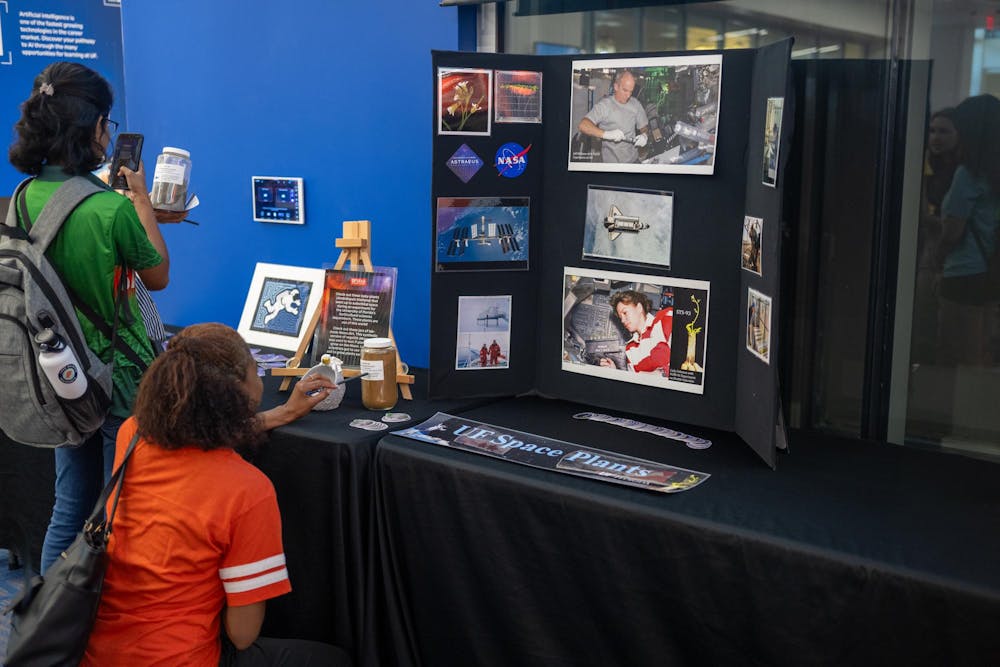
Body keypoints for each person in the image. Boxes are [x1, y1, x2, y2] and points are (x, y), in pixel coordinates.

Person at [82, 323, 350, 667]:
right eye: (256, 371)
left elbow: (199, 433)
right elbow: (243, 635)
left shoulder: (131, 434)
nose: (260, 381)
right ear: (236, 391)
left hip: (99, 652)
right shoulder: (247, 491)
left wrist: (284, 413)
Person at [8, 62, 172, 572]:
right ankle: (111, 625)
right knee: (120, 509)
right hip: (120, 381)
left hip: (58, 377)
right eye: (108, 123)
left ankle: (49, 619)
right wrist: (141, 199)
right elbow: (159, 273)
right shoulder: (110, 210)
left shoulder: (19, 198)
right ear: (94, 129)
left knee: (70, 505)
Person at [937, 94, 1000, 365]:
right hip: (992, 274)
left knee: (957, 358)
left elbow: (953, 231)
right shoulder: (994, 173)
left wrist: (938, 256)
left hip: (962, 272)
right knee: (983, 355)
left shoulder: (968, 174)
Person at [577, 70, 649, 164]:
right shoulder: (605, 105)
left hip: (634, 160)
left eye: (631, 91)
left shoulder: (635, 104)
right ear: (616, 86)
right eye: (625, 90)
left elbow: (643, 127)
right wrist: (607, 134)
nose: (628, 95)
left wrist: (644, 135)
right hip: (612, 164)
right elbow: (583, 125)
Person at [599, 290, 672, 374]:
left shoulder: (665, 318)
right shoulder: (630, 349)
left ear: (639, 308)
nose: (622, 320)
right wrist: (614, 372)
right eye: (620, 317)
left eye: (625, 313)